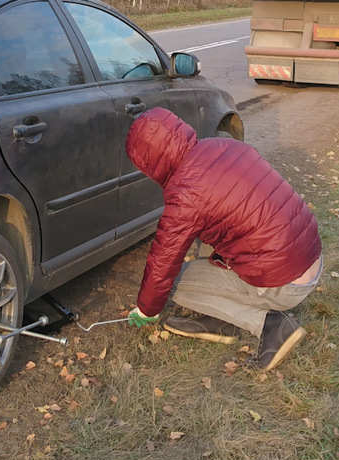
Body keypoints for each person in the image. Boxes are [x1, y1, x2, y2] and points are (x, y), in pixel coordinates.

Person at [122, 108, 322, 370]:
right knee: (205, 234)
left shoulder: (185, 193)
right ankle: (221, 320)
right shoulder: (223, 145)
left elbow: (163, 262)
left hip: (283, 284)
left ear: (150, 162)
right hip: (310, 257)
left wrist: (147, 309)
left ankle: (271, 324)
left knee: (176, 282)